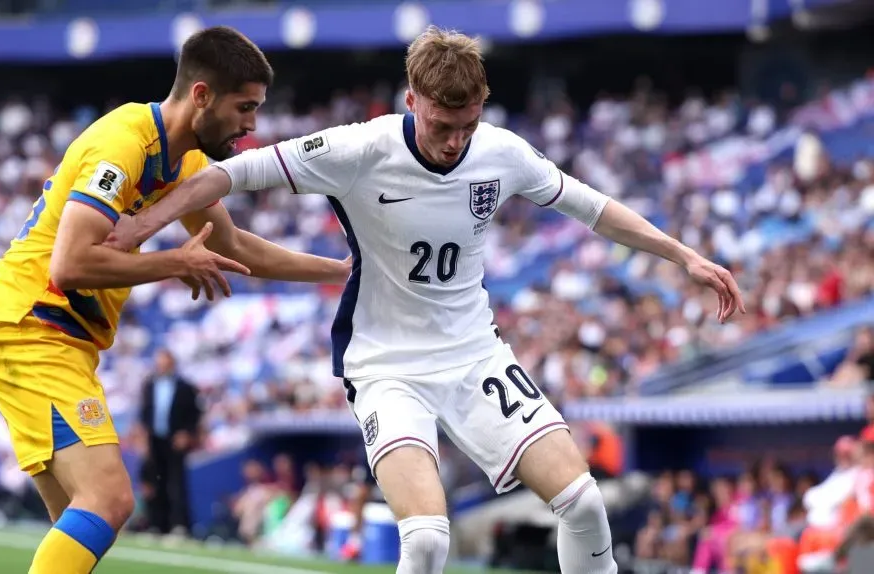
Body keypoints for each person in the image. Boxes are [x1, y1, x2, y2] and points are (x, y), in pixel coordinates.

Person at [106, 26, 746, 574]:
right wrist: (141, 225)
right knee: (429, 539)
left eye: (467, 125)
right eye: (442, 125)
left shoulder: (501, 153)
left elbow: (594, 209)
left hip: (475, 356)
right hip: (387, 367)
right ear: (412, 100)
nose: (454, 142)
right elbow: (230, 172)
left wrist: (684, 254)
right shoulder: (360, 148)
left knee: (582, 500)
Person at [0, 26, 349, 574]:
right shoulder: (123, 144)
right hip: (29, 326)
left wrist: (338, 271)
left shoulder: (185, 162)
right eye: (245, 107)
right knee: (111, 500)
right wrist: (173, 262)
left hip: (53, 338)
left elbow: (234, 246)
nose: (252, 125)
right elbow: (69, 266)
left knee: (80, 520)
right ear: (201, 96)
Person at [138, 349, 202, 536]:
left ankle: (179, 525)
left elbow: (194, 413)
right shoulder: (150, 384)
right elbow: (145, 412)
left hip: (175, 440)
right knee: (155, 482)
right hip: (154, 439)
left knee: (176, 483)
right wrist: (144, 437)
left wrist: (186, 434)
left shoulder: (184, 386)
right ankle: (157, 524)